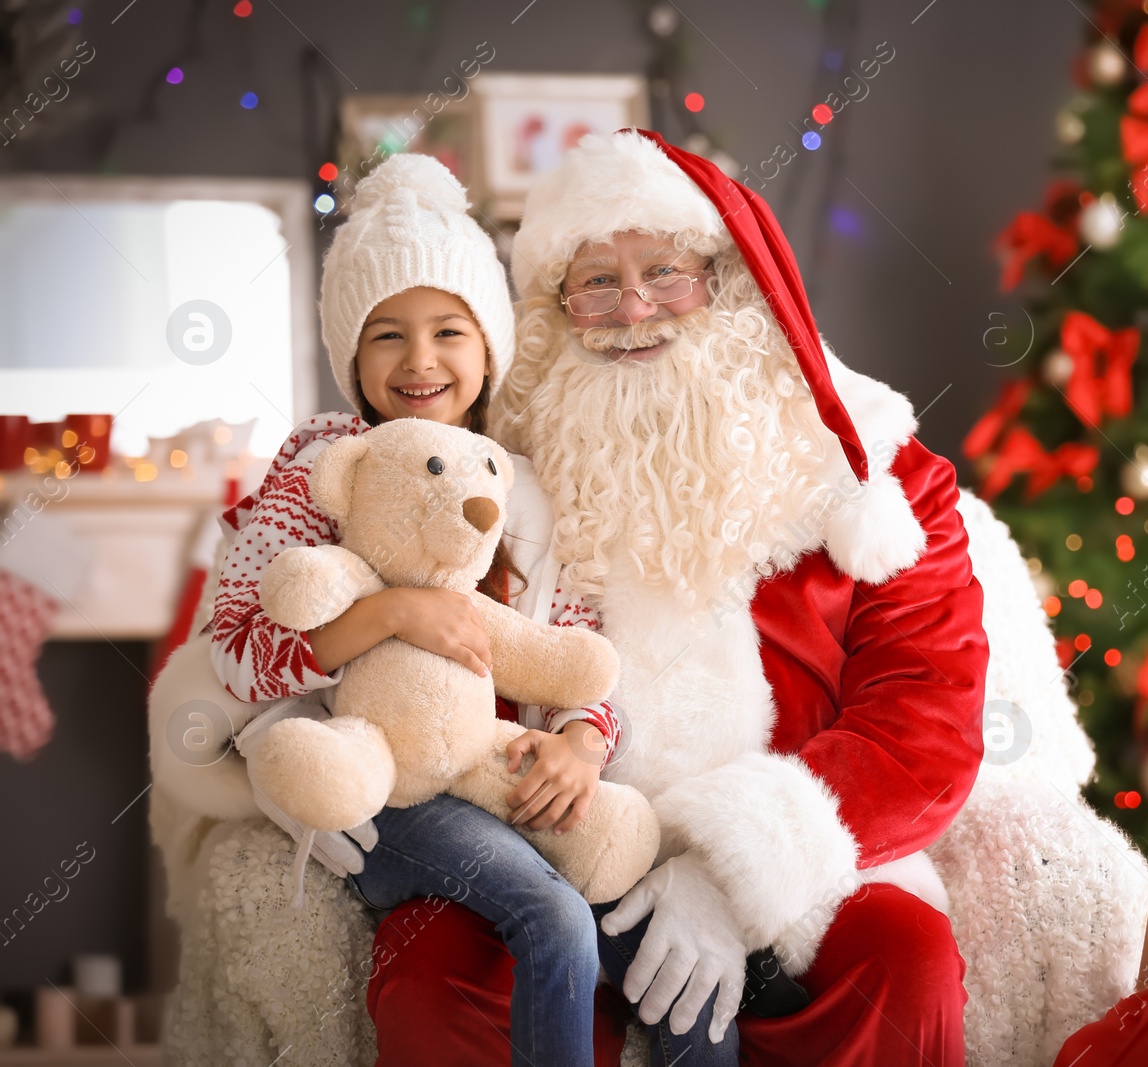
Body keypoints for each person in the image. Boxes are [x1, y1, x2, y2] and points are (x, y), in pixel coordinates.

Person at [363, 129, 990, 1065]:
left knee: (908, 964)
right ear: (554, 309)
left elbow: (927, 725)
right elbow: (412, 654)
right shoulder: (491, 475)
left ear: (728, 282)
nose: (633, 310)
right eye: (597, 282)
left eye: (666, 270)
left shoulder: (873, 477)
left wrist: (731, 873)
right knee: (429, 973)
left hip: (801, 869)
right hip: (556, 845)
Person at [205, 152, 734, 1067]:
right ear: (350, 355)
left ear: (488, 343)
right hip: (385, 783)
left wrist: (579, 741)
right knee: (554, 916)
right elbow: (237, 651)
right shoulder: (319, 463)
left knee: (663, 955)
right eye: (386, 335)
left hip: (494, 764)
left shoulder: (521, 479)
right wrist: (394, 612)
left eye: (448, 330)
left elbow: (575, 640)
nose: (420, 361)